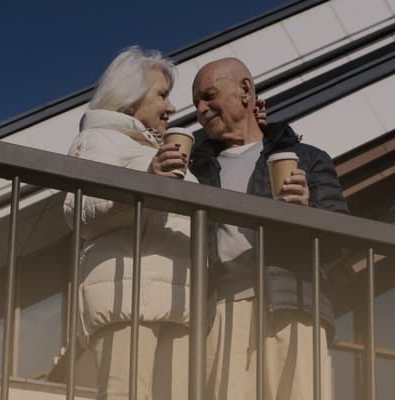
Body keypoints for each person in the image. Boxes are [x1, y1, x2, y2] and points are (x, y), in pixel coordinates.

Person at [63, 47, 265, 400]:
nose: (172, 107)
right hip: (127, 300)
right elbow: (80, 209)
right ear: (129, 100)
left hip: (180, 304)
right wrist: (148, 180)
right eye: (162, 95)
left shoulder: (163, 150)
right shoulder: (99, 139)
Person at [188, 58, 348, 400]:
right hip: (219, 312)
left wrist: (305, 211)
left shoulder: (307, 157)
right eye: (196, 104)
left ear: (245, 91)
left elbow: (339, 239)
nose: (200, 109)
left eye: (209, 95)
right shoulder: (196, 169)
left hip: (294, 304)